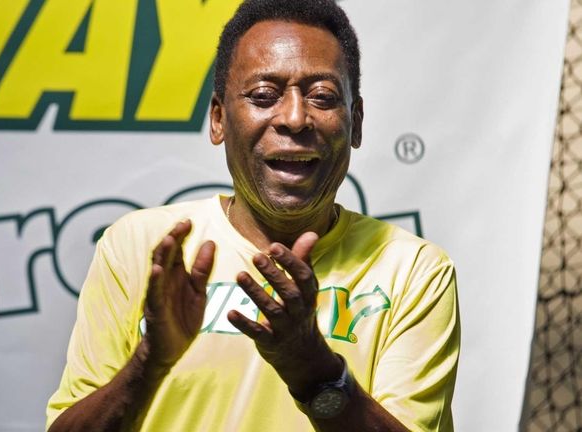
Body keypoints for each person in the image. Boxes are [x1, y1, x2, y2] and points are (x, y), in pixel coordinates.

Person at [46, 0, 460, 430]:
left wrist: (313, 370)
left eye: (322, 96)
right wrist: (150, 362)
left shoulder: (413, 271)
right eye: (264, 95)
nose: (296, 118)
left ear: (355, 123)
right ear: (219, 118)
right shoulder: (143, 248)